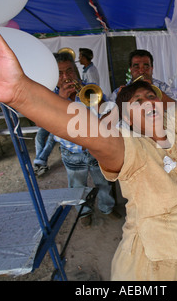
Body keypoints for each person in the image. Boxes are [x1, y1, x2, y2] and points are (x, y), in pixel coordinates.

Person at [0, 8, 177, 280]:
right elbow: (88, 131)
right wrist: (20, 92)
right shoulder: (131, 150)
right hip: (148, 265)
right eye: (137, 103)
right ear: (127, 119)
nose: (148, 102)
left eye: (150, 96)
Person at [53, 51, 117, 227]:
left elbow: (108, 115)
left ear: (76, 71)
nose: (66, 76)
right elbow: (55, 131)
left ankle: (107, 208)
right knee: (77, 187)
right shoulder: (51, 97)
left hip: (95, 148)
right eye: (60, 73)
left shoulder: (90, 88)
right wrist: (62, 100)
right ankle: (83, 213)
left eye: (69, 71)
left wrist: (100, 105)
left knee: (103, 182)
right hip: (71, 152)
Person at [108, 49, 177, 104]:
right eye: (136, 67)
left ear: (152, 69)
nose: (141, 71)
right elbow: (107, 121)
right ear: (130, 69)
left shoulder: (164, 87)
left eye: (146, 67)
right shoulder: (118, 92)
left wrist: (156, 92)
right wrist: (120, 100)